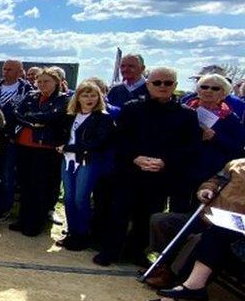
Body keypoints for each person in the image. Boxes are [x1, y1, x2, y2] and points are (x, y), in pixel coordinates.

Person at [94, 67, 199, 266]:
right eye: (157, 83)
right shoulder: (132, 108)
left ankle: (137, 252)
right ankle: (110, 251)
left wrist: (165, 161)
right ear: (148, 84)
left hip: (160, 174)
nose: (162, 86)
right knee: (119, 213)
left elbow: (190, 146)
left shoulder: (187, 115)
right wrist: (135, 157)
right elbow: (120, 138)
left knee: (149, 215)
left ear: (175, 86)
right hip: (130, 171)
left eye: (168, 83)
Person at [147, 158, 245, 301]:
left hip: (233, 228)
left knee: (203, 239)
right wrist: (205, 190)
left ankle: (178, 285)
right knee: (161, 221)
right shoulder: (236, 164)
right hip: (208, 215)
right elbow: (214, 180)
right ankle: (164, 266)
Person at [56, 81, 115, 251]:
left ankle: (82, 234)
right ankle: (72, 232)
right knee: (68, 198)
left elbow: (97, 142)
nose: (89, 99)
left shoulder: (103, 118)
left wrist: (68, 147)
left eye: (93, 95)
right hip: (68, 161)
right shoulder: (70, 115)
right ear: (78, 97)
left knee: (80, 198)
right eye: (85, 95)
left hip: (87, 162)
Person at [11, 67, 69, 237]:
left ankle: (35, 223)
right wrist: (33, 120)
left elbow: (51, 116)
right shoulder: (31, 96)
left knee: (40, 187)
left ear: (56, 82)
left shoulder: (63, 99)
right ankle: (23, 220)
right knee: (25, 185)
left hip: (45, 149)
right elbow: (17, 113)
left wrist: (31, 117)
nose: (42, 84)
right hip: (24, 146)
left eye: (47, 81)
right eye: (40, 81)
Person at [175, 74, 245, 212]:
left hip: (210, 173)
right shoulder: (183, 111)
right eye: (204, 87)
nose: (209, 91)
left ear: (224, 93)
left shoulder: (231, 118)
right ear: (198, 90)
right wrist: (196, 137)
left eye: (215, 88)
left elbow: (237, 148)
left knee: (200, 213)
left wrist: (215, 138)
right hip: (182, 169)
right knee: (177, 209)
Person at [0, 60, 33, 217]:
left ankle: (4, 207)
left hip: (12, 140)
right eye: (4, 69)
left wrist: (14, 134)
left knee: (7, 175)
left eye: (10, 69)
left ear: (20, 72)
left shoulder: (27, 90)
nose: (5, 72)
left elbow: (27, 115)